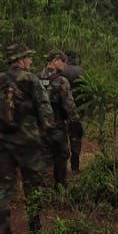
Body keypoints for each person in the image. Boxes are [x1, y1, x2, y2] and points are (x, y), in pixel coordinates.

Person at [0, 44, 54, 234]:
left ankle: (3, 228)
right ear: (20, 59)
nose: (30, 61)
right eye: (28, 58)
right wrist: (47, 134)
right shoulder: (32, 79)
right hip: (28, 142)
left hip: (3, 141)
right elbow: (45, 109)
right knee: (32, 185)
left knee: (4, 185)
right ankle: (35, 228)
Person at [39, 50, 82, 188]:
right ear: (55, 60)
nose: (65, 64)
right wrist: (75, 121)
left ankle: (42, 190)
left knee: (45, 157)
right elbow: (69, 106)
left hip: (41, 125)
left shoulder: (38, 77)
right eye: (63, 61)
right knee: (61, 155)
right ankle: (60, 188)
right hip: (57, 125)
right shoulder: (62, 80)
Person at [61, 50, 86, 172]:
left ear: (66, 58)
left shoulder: (62, 70)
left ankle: (62, 166)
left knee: (62, 137)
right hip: (77, 109)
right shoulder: (81, 71)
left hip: (61, 111)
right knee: (76, 137)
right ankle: (75, 166)